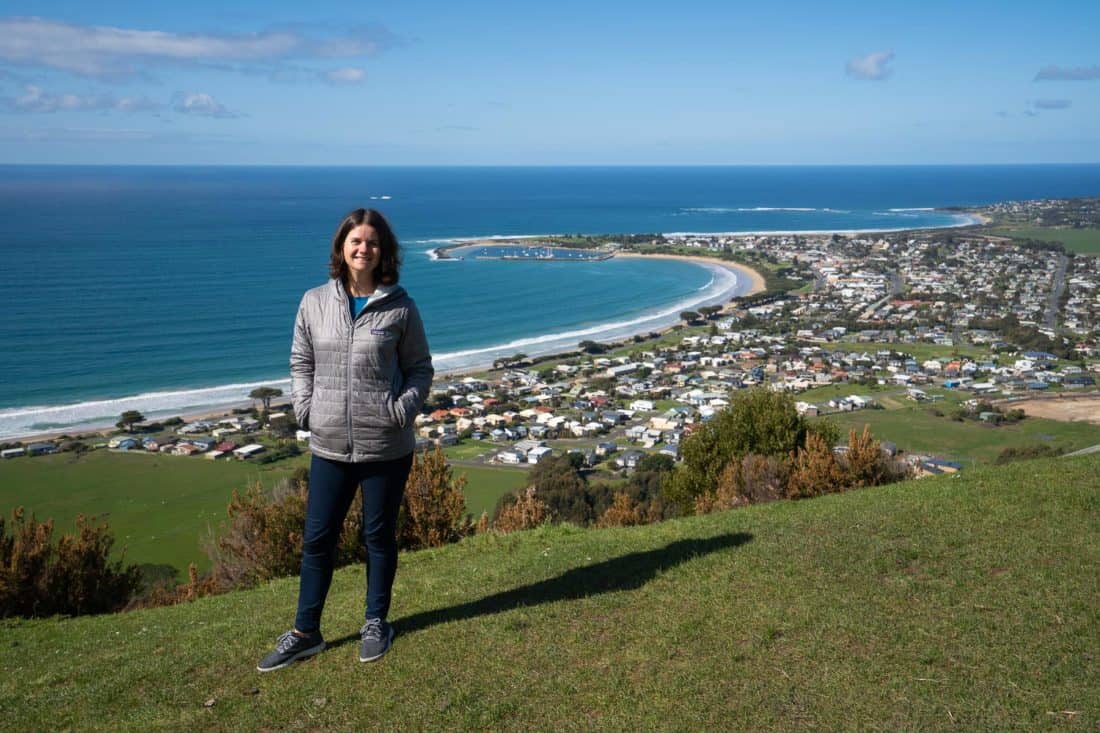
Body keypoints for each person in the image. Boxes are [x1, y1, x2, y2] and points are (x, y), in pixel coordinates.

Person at [258, 208, 433, 672]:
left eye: (372, 242)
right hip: (330, 442)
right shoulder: (313, 302)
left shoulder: (400, 306)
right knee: (317, 538)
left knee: (377, 536)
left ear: (383, 252)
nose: (363, 249)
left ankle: (376, 622)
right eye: (356, 241)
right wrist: (306, 409)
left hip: (386, 444)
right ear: (341, 247)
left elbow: (420, 368)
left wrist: (399, 412)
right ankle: (305, 631)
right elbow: (301, 360)